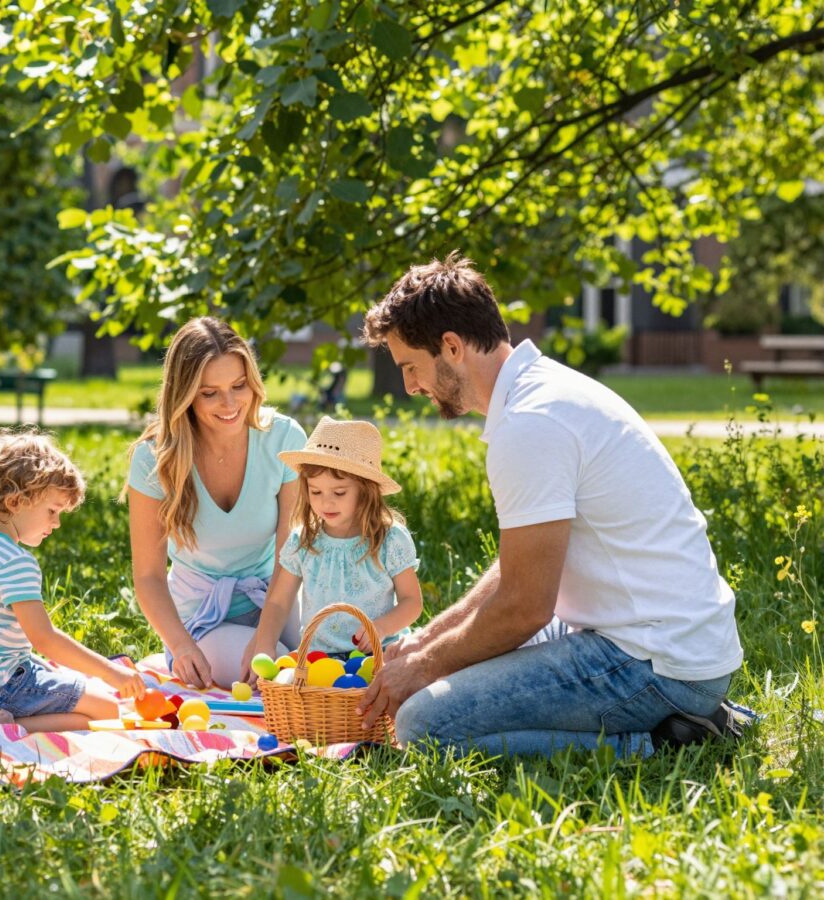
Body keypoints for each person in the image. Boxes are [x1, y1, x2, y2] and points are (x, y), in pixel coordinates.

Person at [356, 252, 744, 758]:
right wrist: (429, 640)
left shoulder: (532, 423)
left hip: (652, 665)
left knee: (423, 723)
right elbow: (521, 568)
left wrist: (426, 667)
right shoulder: (540, 394)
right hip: (654, 639)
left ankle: (660, 741)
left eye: (410, 367)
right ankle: (683, 719)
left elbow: (524, 608)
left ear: (451, 347)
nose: (410, 387)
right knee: (454, 665)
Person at [124, 317, 307, 689]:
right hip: (203, 620)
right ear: (185, 394)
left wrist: (267, 636)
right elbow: (148, 577)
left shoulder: (284, 437)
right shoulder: (154, 459)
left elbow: (291, 553)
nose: (230, 404)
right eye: (210, 393)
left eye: (239, 386)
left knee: (328, 659)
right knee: (283, 680)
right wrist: (181, 644)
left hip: (277, 596)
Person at [0, 429, 145, 733]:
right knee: (108, 709)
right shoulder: (14, 562)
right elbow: (44, 639)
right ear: (17, 501)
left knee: (82, 698)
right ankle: (1, 726)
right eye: (52, 511)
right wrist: (113, 673)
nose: (56, 524)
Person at [244, 416, 423, 676]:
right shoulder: (303, 541)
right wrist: (264, 646)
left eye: (339, 493)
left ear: (366, 490)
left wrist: (381, 628)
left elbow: (412, 602)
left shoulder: (389, 539)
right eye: (315, 492)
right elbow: (279, 602)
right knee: (290, 686)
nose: (326, 503)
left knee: (397, 682)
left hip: (379, 653)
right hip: (320, 658)